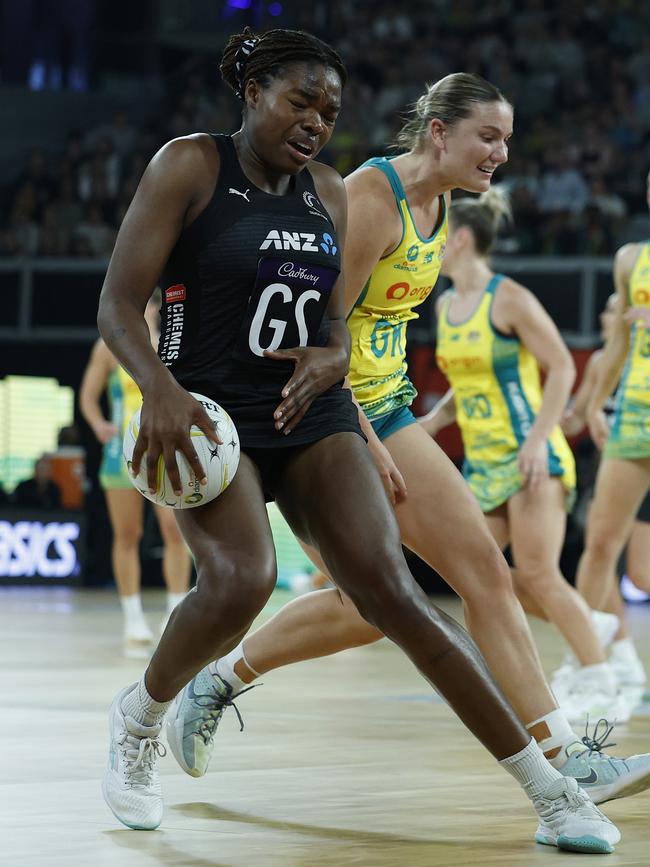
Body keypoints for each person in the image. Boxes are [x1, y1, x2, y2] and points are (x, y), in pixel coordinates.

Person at [98, 28, 620, 852]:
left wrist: (337, 359)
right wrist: (156, 391)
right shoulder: (189, 165)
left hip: (311, 410)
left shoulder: (328, 190)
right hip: (208, 412)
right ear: (254, 90)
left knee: (395, 596)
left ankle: (553, 794)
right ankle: (140, 718)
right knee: (244, 578)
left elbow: (337, 321)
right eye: (300, 100)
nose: (315, 120)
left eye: (330, 110)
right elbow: (119, 303)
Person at [418, 189, 625, 721]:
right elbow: (470, 381)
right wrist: (435, 421)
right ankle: (580, 623)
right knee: (480, 578)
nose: (431, 246)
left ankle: (602, 681)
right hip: (483, 462)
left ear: (460, 239)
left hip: (532, 458)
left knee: (535, 574)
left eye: (439, 238)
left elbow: (560, 366)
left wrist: (537, 439)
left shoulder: (508, 297)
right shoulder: (446, 305)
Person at [80, 291, 191, 657]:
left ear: (157, 307)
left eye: (146, 302)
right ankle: (132, 616)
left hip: (161, 450)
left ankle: (176, 611)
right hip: (120, 455)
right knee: (128, 533)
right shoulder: (109, 348)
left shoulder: (174, 344)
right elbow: (87, 395)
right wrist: (98, 424)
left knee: (175, 531)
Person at [573, 169, 650, 660]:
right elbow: (619, 341)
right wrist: (599, 402)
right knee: (601, 544)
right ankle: (588, 665)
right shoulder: (631, 259)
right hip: (636, 416)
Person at [562, 293, 649, 688]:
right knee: (600, 553)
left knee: (641, 574)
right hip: (611, 474)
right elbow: (576, 417)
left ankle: (605, 658)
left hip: (641, 467)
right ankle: (616, 658)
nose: (604, 315)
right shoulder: (601, 362)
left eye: (614, 308)